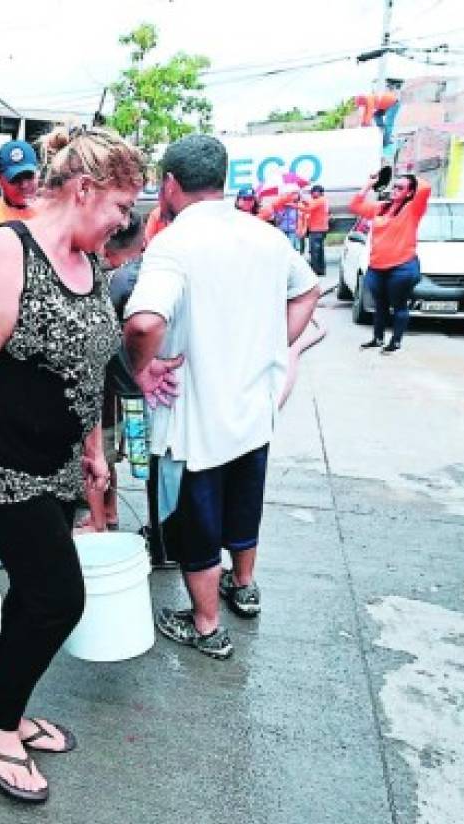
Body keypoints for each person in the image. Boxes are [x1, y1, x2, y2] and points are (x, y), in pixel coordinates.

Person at [0, 126, 180, 803]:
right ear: (85, 190)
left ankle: (2, 702)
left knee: (32, 594)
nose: (125, 221)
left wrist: (93, 454)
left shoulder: (89, 265)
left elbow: (89, 370)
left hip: (58, 465)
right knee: (60, 597)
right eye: (121, 206)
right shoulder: (6, 253)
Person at [123, 134, 320, 660]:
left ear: (169, 184)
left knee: (197, 526)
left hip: (196, 420)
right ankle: (244, 586)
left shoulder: (173, 243)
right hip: (254, 409)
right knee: (244, 502)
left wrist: (139, 369)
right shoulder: (265, 236)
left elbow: (143, 321)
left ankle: (207, 626)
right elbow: (307, 291)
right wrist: (275, 345)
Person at [75, 211, 147, 535]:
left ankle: (98, 523)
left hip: (106, 390)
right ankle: (111, 511)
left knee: (95, 457)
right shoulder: (152, 272)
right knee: (112, 456)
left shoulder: (116, 281)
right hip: (132, 390)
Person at [349, 172, 430, 354]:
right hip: (377, 267)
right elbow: (355, 206)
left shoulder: (413, 209)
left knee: (399, 305)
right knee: (380, 305)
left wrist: (411, 176)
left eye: (400, 188)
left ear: (410, 193)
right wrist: (369, 184)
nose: (394, 190)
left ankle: (395, 341)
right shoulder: (381, 208)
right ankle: (377, 339)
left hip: (401, 267)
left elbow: (425, 188)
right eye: (394, 186)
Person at [302, 184, 330, 275]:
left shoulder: (320, 200)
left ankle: (315, 270)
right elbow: (311, 206)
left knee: (315, 251)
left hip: (316, 229)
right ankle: (321, 270)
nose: (311, 194)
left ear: (319, 192)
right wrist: (305, 202)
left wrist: (293, 205)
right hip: (321, 229)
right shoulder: (323, 200)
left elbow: (308, 209)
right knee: (320, 250)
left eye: (313, 192)